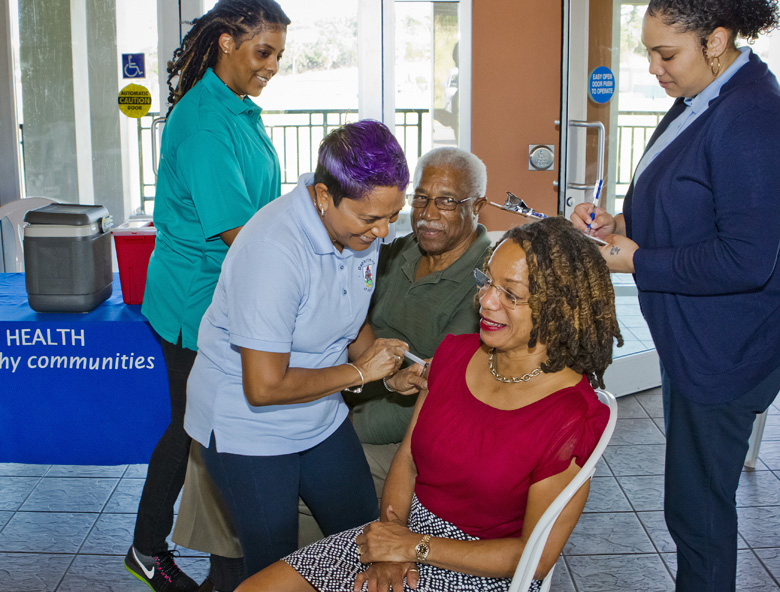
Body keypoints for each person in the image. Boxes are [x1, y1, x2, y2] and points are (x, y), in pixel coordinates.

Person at [236, 216, 623, 592]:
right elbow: (406, 459)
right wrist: (393, 543)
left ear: (559, 308)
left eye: (511, 294)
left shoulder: (573, 417)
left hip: (480, 568)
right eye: (486, 281)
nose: (486, 301)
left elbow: (534, 559)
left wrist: (414, 548)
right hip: (401, 533)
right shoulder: (453, 355)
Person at [570, 1, 780, 590]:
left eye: (667, 54)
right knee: (691, 501)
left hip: (724, 351)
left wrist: (637, 259)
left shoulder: (754, 117)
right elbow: (691, 203)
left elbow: (746, 257)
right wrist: (619, 224)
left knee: (698, 513)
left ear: (715, 40)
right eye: (649, 53)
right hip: (694, 340)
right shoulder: (701, 98)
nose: (655, 68)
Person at [183, 120, 427, 582]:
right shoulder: (273, 249)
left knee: (364, 538)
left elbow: (350, 313)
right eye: (371, 218)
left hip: (319, 410)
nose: (384, 232)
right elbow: (264, 386)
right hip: (247, 425)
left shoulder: (358, 227)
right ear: (321, 196)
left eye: (393, 215)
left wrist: (387, 371)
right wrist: (361, 374)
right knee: (276, 571)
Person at [125, 2, 290, 591]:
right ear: (224, 42)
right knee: (194, 428)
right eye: (261, 52)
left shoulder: (239, 109)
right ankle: (152, 548)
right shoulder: (201, 123)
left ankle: (220, 552)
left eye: (277, 55)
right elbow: (237, 231)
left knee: (198, 426)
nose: (270, 66)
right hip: (195, 300)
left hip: (220, 293)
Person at [348, 146, 491, 445]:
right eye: (421, 198)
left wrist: (347, 428)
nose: (428, 214)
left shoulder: (486, 285)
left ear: (477, 206)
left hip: (404, 431)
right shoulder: (403, 250)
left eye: (447, 201)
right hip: (351, 389)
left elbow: (437, 390)